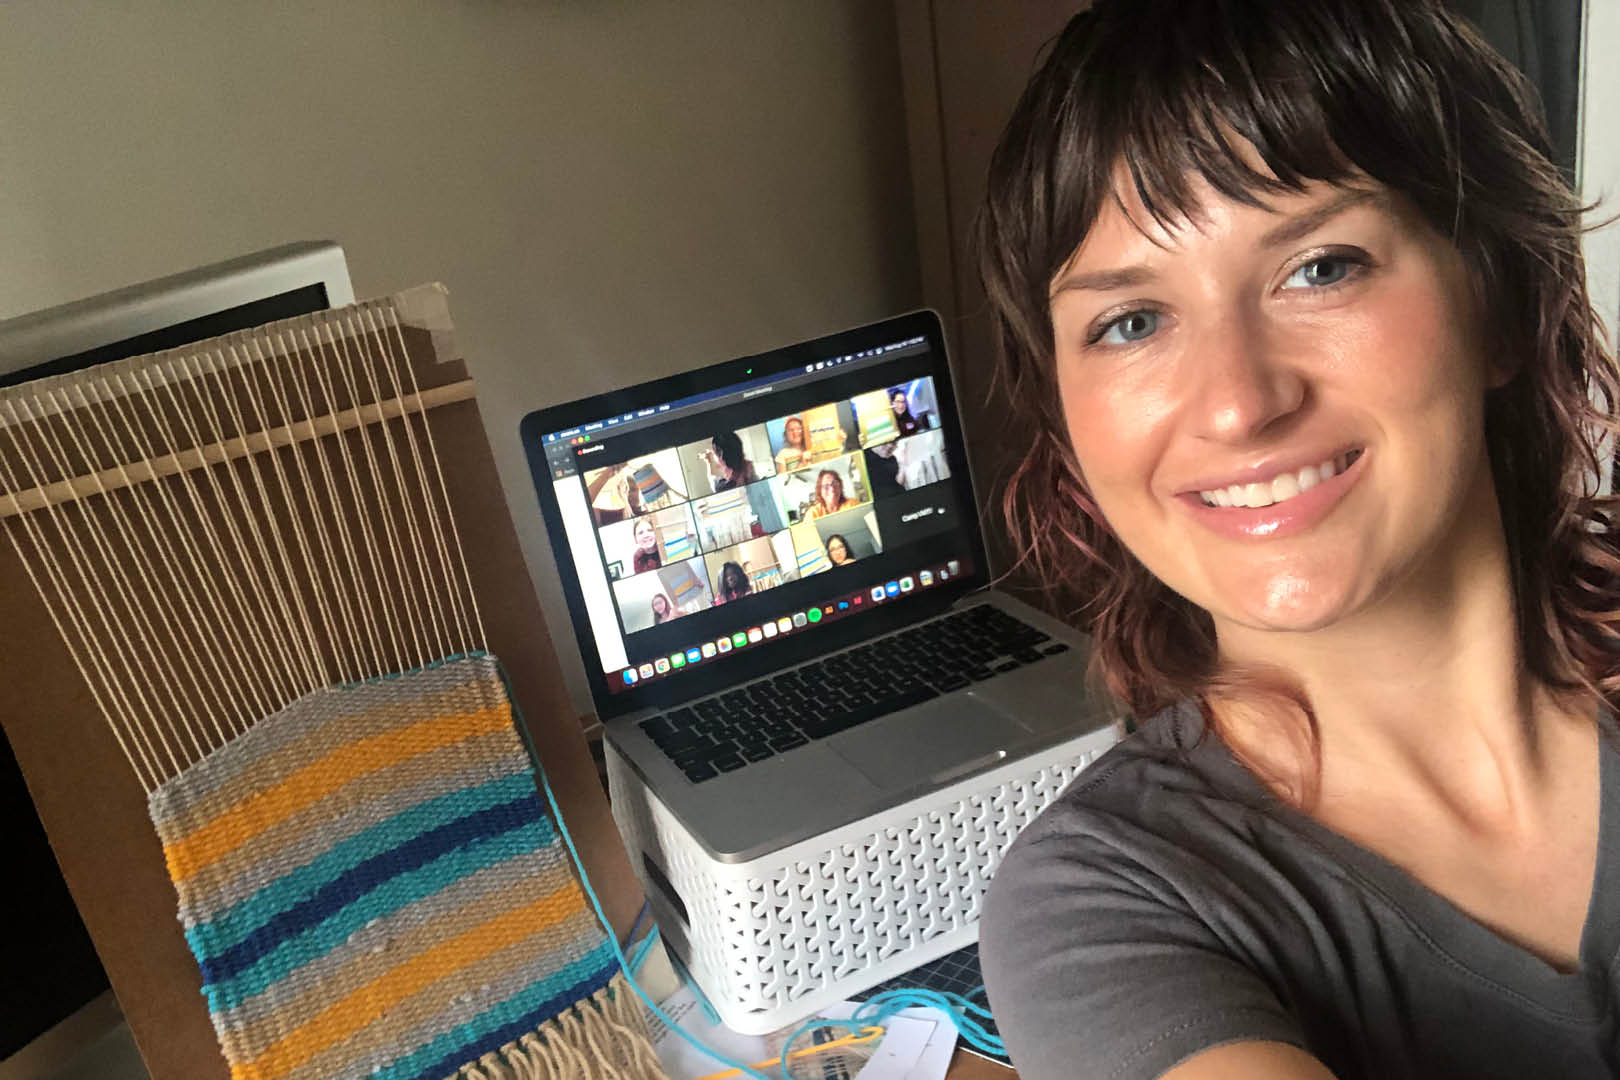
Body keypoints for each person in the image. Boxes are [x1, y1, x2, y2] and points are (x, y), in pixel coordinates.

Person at [974, 3, 1620, 1080]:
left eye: (1320, 267)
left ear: (1498, 303)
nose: (1237, 404)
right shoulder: (1106, 908)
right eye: (1130, 322)